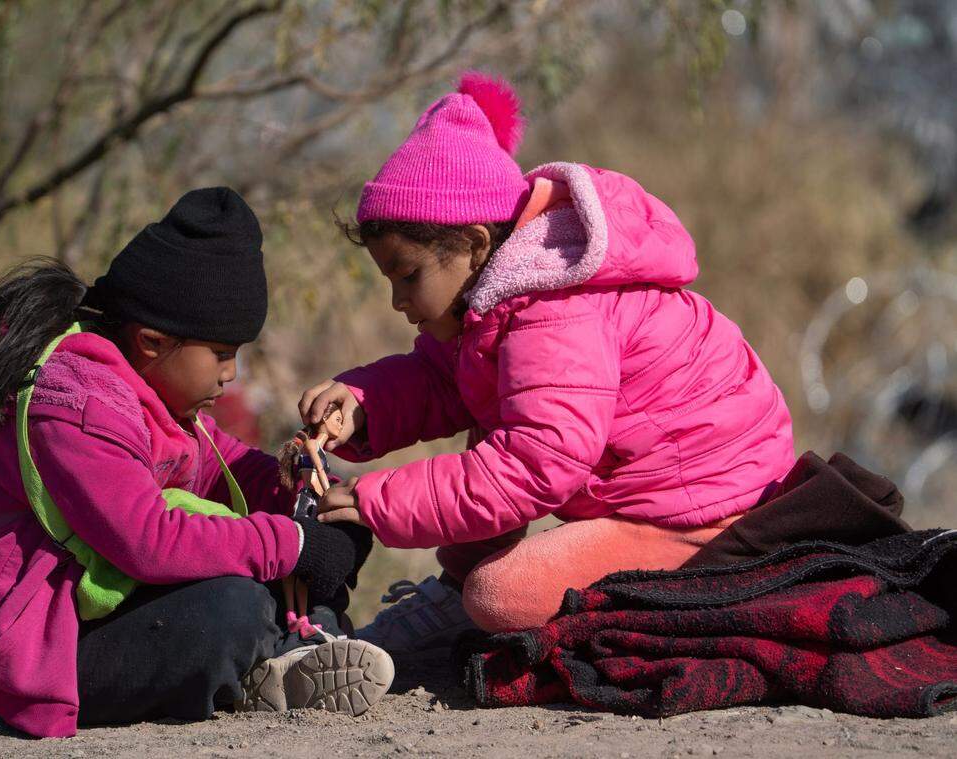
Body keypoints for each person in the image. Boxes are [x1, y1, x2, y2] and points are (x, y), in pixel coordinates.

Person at [299, 72, 795, 652]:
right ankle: (456, 593)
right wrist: (362, 404)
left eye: (409, 276)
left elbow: (536, 466)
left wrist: (376, 502)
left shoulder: (557, 308)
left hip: (704, 516)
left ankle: (683, 587)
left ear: (477, 244)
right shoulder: (498, 298)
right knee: (494, 409)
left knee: (500, 595)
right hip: (661, 491)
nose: (398, 301)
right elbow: (442, 380)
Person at [0, 188, 391, 738]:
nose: (231, 376)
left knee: (274, 568)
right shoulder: (80, 406)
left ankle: (295, 644)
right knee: (232, 607)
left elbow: (224, 465)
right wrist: (292, 544)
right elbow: (147, 541)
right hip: (38, 644)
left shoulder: (151, 395)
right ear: (152, 340)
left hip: (97, 611)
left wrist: (303, 494)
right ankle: (279, 652)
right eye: (223, 355)